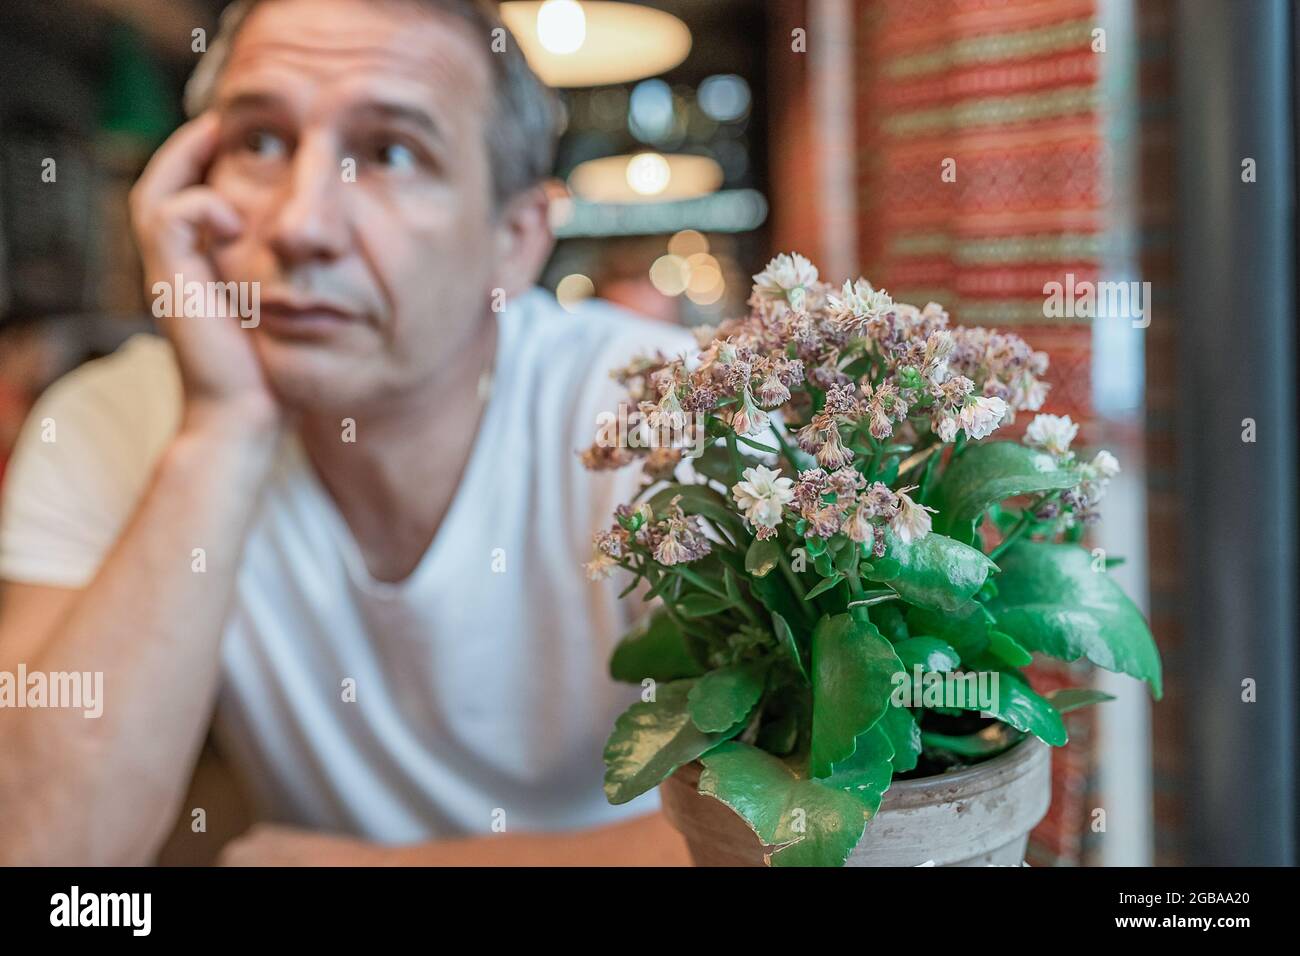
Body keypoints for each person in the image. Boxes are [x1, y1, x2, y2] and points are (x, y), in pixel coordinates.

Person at [0, 0, 694, 865]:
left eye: (391, 153)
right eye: (258, 141)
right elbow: (42, 850)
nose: (300, 225)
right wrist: (223, 428)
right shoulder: (109, 421)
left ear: (514, 242)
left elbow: (805, 833)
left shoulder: (660, 411)